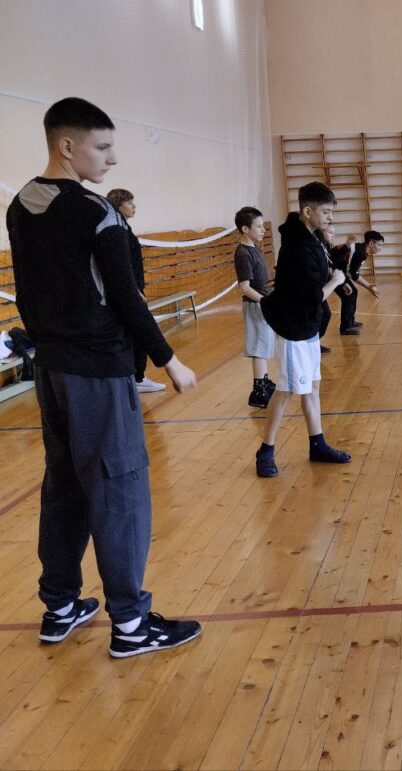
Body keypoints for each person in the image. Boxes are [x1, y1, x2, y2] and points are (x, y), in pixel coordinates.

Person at [7, 97, 201, 657]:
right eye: (103, 147)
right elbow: (126, 296)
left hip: (51, 371)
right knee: (119, 491)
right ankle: (131, 625)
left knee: (64, 486)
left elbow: (28, 292)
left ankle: (60, 607)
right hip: (96, 373)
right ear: (67, 146)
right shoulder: (96, 213)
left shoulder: (21, 205)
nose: (112, 159)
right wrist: (169, 359)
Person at [255, 182, 350, 477]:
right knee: (285, 391)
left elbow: (320, 272)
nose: (330, 217)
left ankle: (317, 444)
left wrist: (337, 279)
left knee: (313, 386)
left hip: (308, 324)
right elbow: (314, 295)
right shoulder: (297, 247)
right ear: (307, 211)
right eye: (326, 211)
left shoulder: (313, 236)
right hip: (292, 326)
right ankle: (265, 451)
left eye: (332, 211)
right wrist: (335, 282)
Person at [105, 188, 165, 393]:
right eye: (130, 203)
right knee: (139, 334)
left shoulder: (124, 227)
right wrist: (134, 290)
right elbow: (121, 265)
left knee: (135, 336)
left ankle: (135, 377)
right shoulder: (116, 230)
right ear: (119, 205)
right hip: (131, 293)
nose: (134, 206)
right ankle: (137, 378)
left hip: (135, 289)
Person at [233, 206, 276, 408]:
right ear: (245, 229)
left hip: (263, 305)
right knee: (259, 349)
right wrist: (264, 301)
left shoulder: (254, 249)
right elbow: (245, 287)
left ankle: (264, 381)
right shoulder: (243, 254)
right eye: (258, 226)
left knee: (264, 346)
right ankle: (258, 391)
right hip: (256, 306)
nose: (263, 230)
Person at [339, 230, 383, 335]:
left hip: (340, 272)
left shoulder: (363, 251)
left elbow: (353, 272)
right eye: (379, 245)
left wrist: (368, 286)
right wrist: (368, 286)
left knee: (353, 292)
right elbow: (352, 274)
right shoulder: (359, 252)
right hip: (333, 271)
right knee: (349, 295)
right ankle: (345, 327)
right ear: (371, 243)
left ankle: (350, 322)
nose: (380, 248)